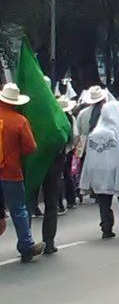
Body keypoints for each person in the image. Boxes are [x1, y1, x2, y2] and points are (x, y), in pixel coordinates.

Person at [79, 99, 119, 239]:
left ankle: (106, 228)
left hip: (100, 171)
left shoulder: (96, 133)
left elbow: (90, 156)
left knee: (104, 200)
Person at [0, 83, 41, 262]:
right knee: (18, 210)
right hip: (10, 172)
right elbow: (30, 147)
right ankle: (26, 245)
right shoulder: (19, 120)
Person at [38, 95, 75, 255]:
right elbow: (69, 143)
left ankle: (25, 242)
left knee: (27, 203)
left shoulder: (37, 116)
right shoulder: (66, 122)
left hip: (35, 164)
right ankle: (48, 242)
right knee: (51, 204)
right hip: (55, 165)